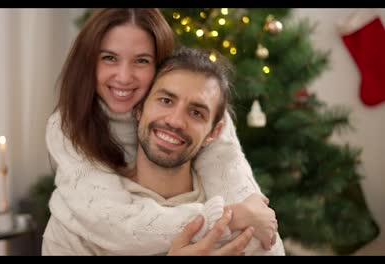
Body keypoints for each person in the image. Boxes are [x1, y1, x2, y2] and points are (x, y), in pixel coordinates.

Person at [42, 8, 283, 255]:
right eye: (109, 58)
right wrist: (229, 219)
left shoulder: (216, 131)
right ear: (140, 109)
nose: (124, 77)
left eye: (142, 60)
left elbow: (254, 215)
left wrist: (249, 216)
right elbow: (113, 223)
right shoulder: (70, 127)